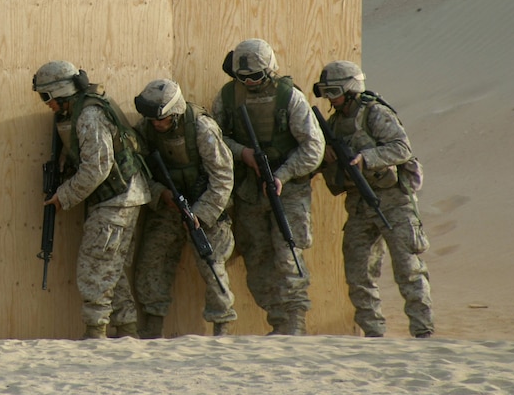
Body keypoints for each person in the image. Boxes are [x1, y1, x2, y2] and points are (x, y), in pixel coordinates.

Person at [313, 60, 434, 338]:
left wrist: (367, 158)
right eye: (326, 92)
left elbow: (402, 148)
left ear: (350, 89)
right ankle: (374, 332)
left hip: (393, 202)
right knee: (358, 272)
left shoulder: (375, 114)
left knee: (408, 269)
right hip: (359, 206)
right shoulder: (334, 124)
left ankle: (422, 330)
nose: (330, 98)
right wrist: (327, 159)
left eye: (334, 91)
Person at [211, 39, 325, 335]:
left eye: (256, 77)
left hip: (288, 189)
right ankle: (278, 321)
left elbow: (314, 147)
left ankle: (295, 323)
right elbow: (214, 138)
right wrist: (242, 153)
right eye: (243, 78)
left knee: (288, 252)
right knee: (256, 255)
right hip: (250, 189)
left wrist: (283, 175)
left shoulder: (289, 97)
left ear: (270, 71)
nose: (249, 83)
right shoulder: (227, 97)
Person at [32, 60, 150, 339]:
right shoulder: (76, 112)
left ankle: (96, 332)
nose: (45, 104)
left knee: (94, 266)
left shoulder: (88, 116)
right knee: (113, 268)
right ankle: (127, 331)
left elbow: (97, 167)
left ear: (60, 92)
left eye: (46, 97)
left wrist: (65, 195)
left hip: (117, 198)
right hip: (120, 197)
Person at [132, 79, 237, 338]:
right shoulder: (146, 128)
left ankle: (221, 327)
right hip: (170, 206)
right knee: (151, 263)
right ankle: (152, 329)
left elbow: (223, 177)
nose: (157, 124)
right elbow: (138, 171)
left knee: (211, 264)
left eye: (163, 120)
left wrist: (200, 214)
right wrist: (161, 194)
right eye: (154, 120)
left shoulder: (201, 128)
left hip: (206, 204)